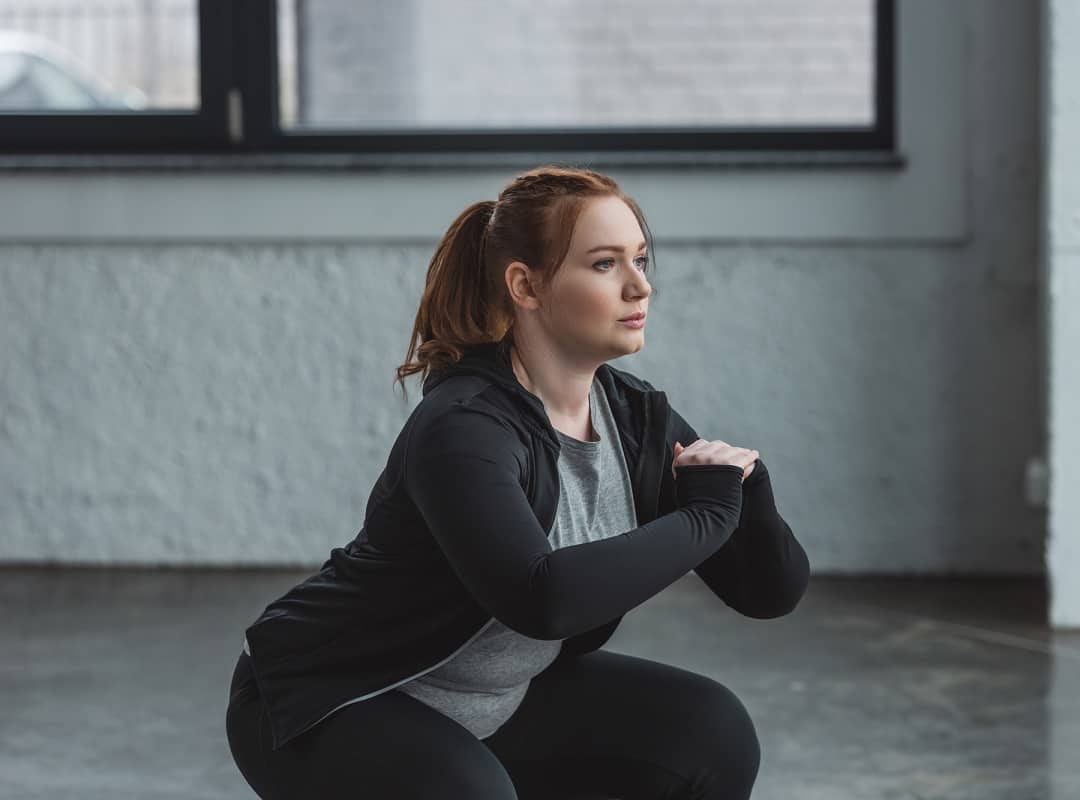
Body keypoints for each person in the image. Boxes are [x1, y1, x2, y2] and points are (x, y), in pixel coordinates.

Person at [224, 164, 810, 799]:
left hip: (495, 697)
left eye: (641, 259)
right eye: (605, 265)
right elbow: (541, 598)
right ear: (526, 286)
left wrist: (746, 487)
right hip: (330, 695)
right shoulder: (464, 427)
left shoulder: (633, 418)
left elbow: (767, 590)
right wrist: (705, 516)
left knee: (711, 734)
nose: (640, 286)